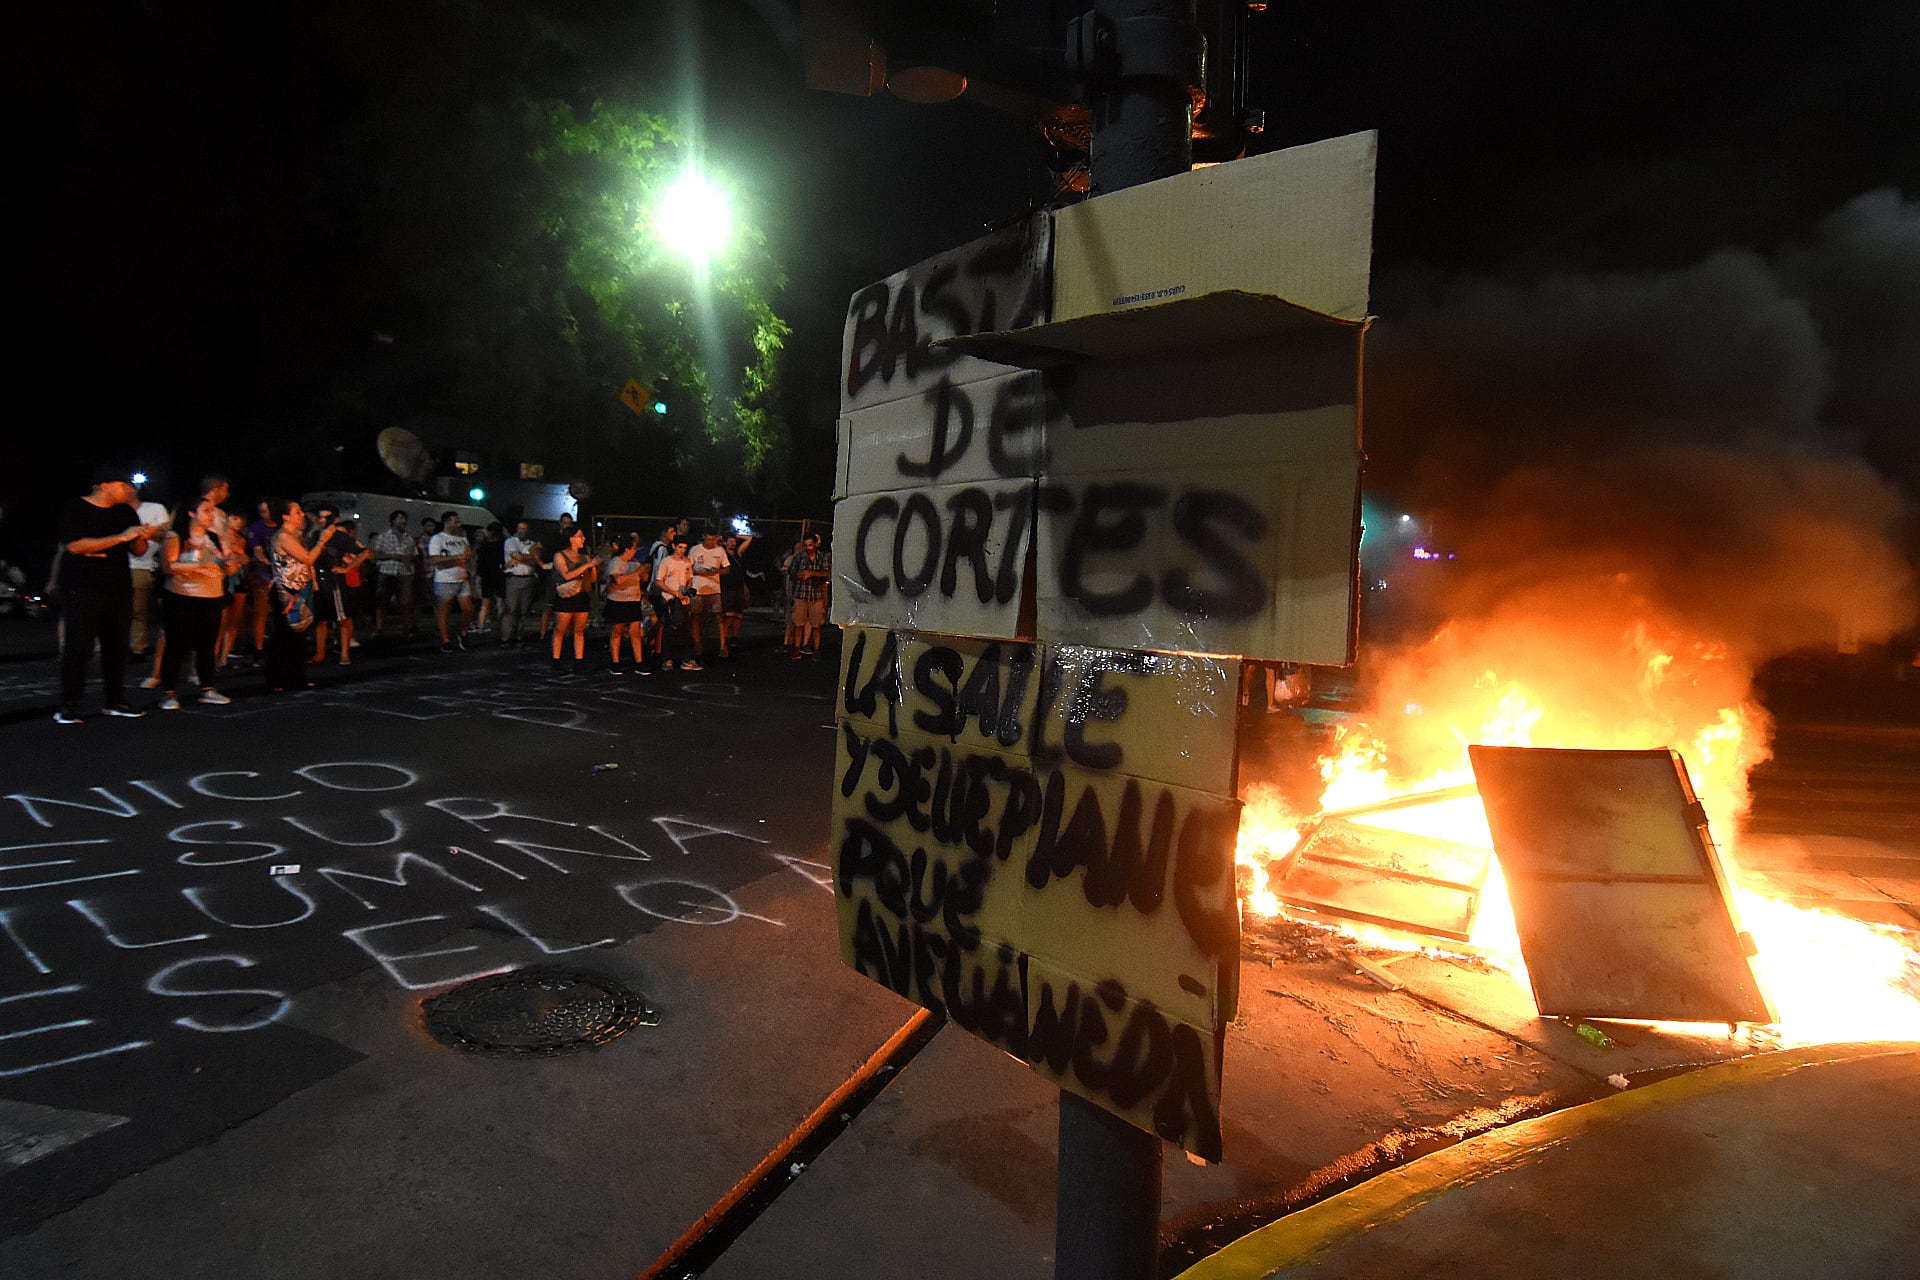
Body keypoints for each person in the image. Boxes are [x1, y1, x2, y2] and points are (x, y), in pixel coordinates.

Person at [54, 465, 165, 722]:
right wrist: (120, 537)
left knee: (116, 646)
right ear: (105, 485)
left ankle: (115, 699)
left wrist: (140, 536)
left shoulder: (125, 512)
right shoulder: (76, 509)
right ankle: (69, 704)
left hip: (118, 587)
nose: (129, 490)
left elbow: (137, 551)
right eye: (124, 485)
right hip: (82, 587)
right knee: (78, 647)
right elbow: (76, 546)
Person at [156, 496, 239, 709]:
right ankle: (169, 692)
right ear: (191, 513)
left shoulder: (215, 537)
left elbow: (228, 566)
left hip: (211, 596)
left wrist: (231, 563)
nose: (211, 515)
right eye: (206, 511)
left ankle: (207, 687)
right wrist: (201, 564)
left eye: (212, 511)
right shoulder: (177, 536)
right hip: (182, 596)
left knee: (207, 645)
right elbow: (168, 567)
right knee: (176, 644)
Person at [265, 498, 323, 692]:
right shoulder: (283, 536)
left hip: (297, 588)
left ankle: (294, 677)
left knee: (297, 636)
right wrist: (323, 540)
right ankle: (278, 679)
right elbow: (307, 558)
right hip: (286, 590)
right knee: (285, 636)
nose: (301, 515)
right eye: (297, 512)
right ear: (285, 516)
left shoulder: (293, 535)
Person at [125, 480, 169, 658]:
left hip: (143, 564)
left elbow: (167, 534)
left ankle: (138, 647)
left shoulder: (155, 509)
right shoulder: (116, 512)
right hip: (118, 564)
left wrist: (148, 533)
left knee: (137, 609)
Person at [548, 525, 597, 672]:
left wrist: (593, 566)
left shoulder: (585, 557)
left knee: (579, 630)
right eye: (579, 536)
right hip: (565, 595)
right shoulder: (559, 556)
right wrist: (586, 565)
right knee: (560, 629)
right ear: (571, 538)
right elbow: (566, 575)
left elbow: (593, 579)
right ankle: (556, 660)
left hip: (581, 595)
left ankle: (579, 659)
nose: (583, 539)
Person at [603, 532, 651, 674]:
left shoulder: (635, 562)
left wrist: (644, 572)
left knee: (635, 631)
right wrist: (637, 572)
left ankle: (639, 661)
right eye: (634, 548)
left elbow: (642, 578)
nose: (635, 551)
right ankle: (615, 662)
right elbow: (617, 580)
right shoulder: (616, 562)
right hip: (618, 600)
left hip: (633, 599)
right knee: (617, 630)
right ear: (627, 549)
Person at [428, 512, 474, 651]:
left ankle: (464, 633)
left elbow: (468, 556)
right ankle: (445, 639)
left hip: (462, 578)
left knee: (468, 609)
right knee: (444, 611)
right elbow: (435, 559)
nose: (458, 524)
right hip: (445, 579)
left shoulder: (462, 538)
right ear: (447, 522)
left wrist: (466, 558)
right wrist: (457, 558)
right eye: (455, 521)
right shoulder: (438, 539)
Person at [654, 536, 700, 672]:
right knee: (669, 629)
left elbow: (689, 578)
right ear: (674, 546)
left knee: (684, 630)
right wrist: (674, 592)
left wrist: (687, 589)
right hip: (670, 600)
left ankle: (685, 659)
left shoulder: (687, 562)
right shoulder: (666, 562)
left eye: (685, 548)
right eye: (680, 547)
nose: (682, 550)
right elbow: (659, 581)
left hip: (683, 600)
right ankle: (667, 659)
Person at [370, 509, 417, 635]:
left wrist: (409, 558)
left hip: (405, 573)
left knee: (406, 601)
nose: (403, 522)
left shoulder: (409, 538)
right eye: (400, 519)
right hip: (387, 572)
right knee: (382, 601)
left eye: (404, 519)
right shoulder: (383, 537)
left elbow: (414, 555)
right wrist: (394, 556)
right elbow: (376, 554)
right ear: (393, 520)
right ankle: (379, 628)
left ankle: (406, 627)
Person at [788, 531, 830, 661]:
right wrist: (798, 575)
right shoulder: (799, 557)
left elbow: (827, 573)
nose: (808, 548)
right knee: (799, 623)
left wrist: (812, 573)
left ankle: (816, 649)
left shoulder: (822, 557)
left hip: (816, 595)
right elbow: (791, 572)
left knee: (816, 624)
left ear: (815, 545)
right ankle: (797, 648)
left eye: (810, 545)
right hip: (801, 594)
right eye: (806, 545)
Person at [688, 530, 729, 661]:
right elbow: (688, 567)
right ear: (703, 537)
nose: (711, 542)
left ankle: (723, 646)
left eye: (713, 539)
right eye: (708, 539)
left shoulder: (720, 551)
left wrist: (717, 571)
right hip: (698, 588)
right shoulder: (695, 550)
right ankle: (697, 644)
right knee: (696, 617)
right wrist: (698, 571)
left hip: (714, 589)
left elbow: (726, 569)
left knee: (719, 617)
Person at [245, 499, 277, 656]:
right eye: (261, 512)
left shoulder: (282, 527)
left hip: (284, 573)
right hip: (263, 573)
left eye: (266, 511)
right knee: (261, 611)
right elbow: (257, 550)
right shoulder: (256, 527)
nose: (264, 515)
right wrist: (267, 562)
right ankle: (258, 646)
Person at [501, 519, 539, 643]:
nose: (522, 531)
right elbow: (517, 556)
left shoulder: (532, 543)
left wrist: (523, 559)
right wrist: (529, 557)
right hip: (514, 578)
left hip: (528, 579)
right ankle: (506, 637)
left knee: (524, 610)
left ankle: (519, 635)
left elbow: (535, 560)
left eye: (524, 529)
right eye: (520, 528)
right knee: (511, 609)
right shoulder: (510, 542)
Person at [717, 530, 753, 659]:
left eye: (734, 541)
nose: (733, 543)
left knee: (738, 615)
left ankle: (734, 639)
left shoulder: (738, 553)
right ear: (725, 542)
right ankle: (724, 640)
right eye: (730, 541)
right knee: (729, 615)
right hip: (727, 588)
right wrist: (722, 537)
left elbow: (749, 538)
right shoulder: (722, 554)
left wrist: (736, 535)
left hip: (738, 587)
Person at [476, 521, 506, 636]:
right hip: (499, 575)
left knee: (485, 603)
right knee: (500, 602)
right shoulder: (503, 545)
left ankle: (481, 627)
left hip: (486, 576)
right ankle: (501, 625)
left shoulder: (483, 547)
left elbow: (479, 563)